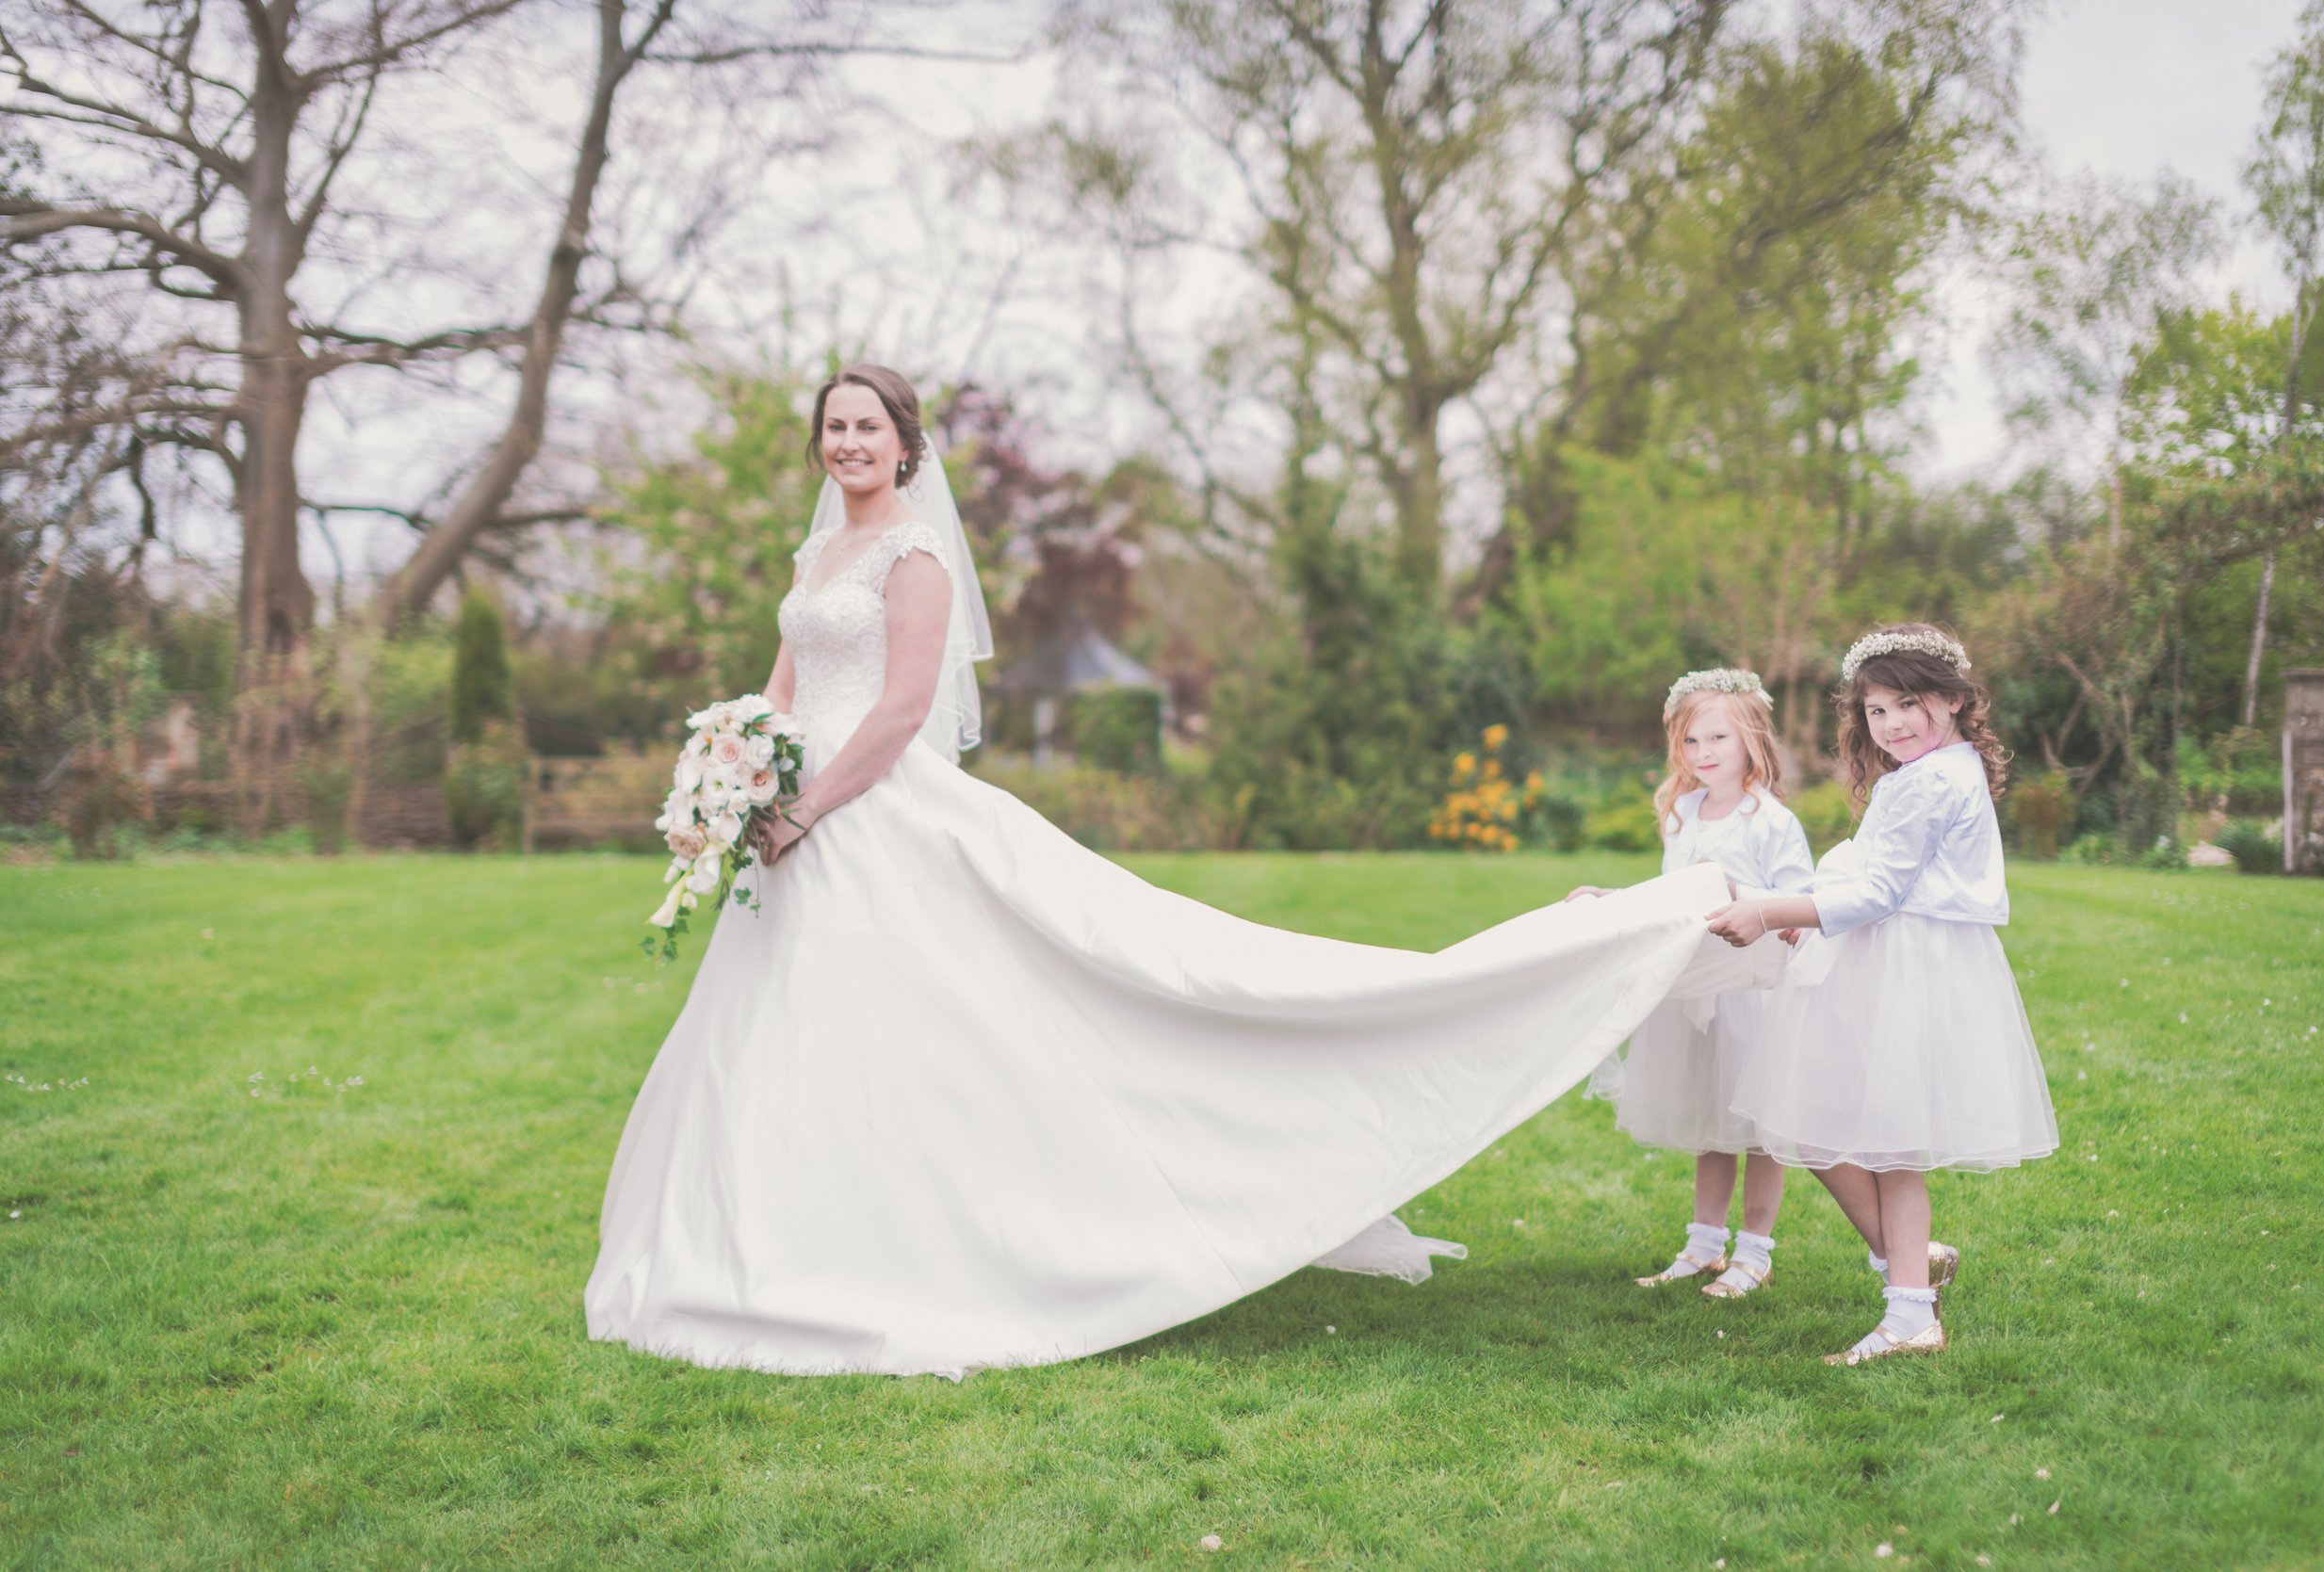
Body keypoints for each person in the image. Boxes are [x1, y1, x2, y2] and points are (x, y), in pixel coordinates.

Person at [584, 364, 1778, 1378]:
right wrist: (739, 767)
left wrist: (808, 808)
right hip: (799, 823)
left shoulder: (910, 556)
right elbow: (787, 683)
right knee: (797, 1040)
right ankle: (783, 1242)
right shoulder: (821, 546)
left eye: (868, 428)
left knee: (1033, 996)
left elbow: (900, 711)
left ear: (905, 447)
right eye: (834, 427)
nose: (849, 443)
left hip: (870, 812)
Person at [1707, 624, 2057, 1364]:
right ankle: (1909, 1275)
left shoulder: (1932, 779)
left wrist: (1770, 911)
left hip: (1904, 965)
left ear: (1957, 701)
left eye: (1909, 703)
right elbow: (1872, 877)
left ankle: (1909, 1306)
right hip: (1891, 956)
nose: (1893, 723)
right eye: (1876, 711)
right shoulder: (1939, 771)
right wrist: (1804, 911)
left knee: (1860, 1131)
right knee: (1846, 1127)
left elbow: (1878, 890)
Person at [1571, 671, 1812, 1299]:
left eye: (1717, 739)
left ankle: (1754, 1252)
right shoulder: (1681, 812)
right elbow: (1668, 897)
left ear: (1750, 740)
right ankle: (1704, 1243)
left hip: (1750, 995)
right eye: (1691, 740)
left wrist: (1738, 894)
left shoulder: (1770, 820)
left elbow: (1800, 900)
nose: (1703, 753)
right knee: (1711, 1122)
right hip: (1693, 988)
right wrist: (1610, 899)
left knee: (1756, 1126)